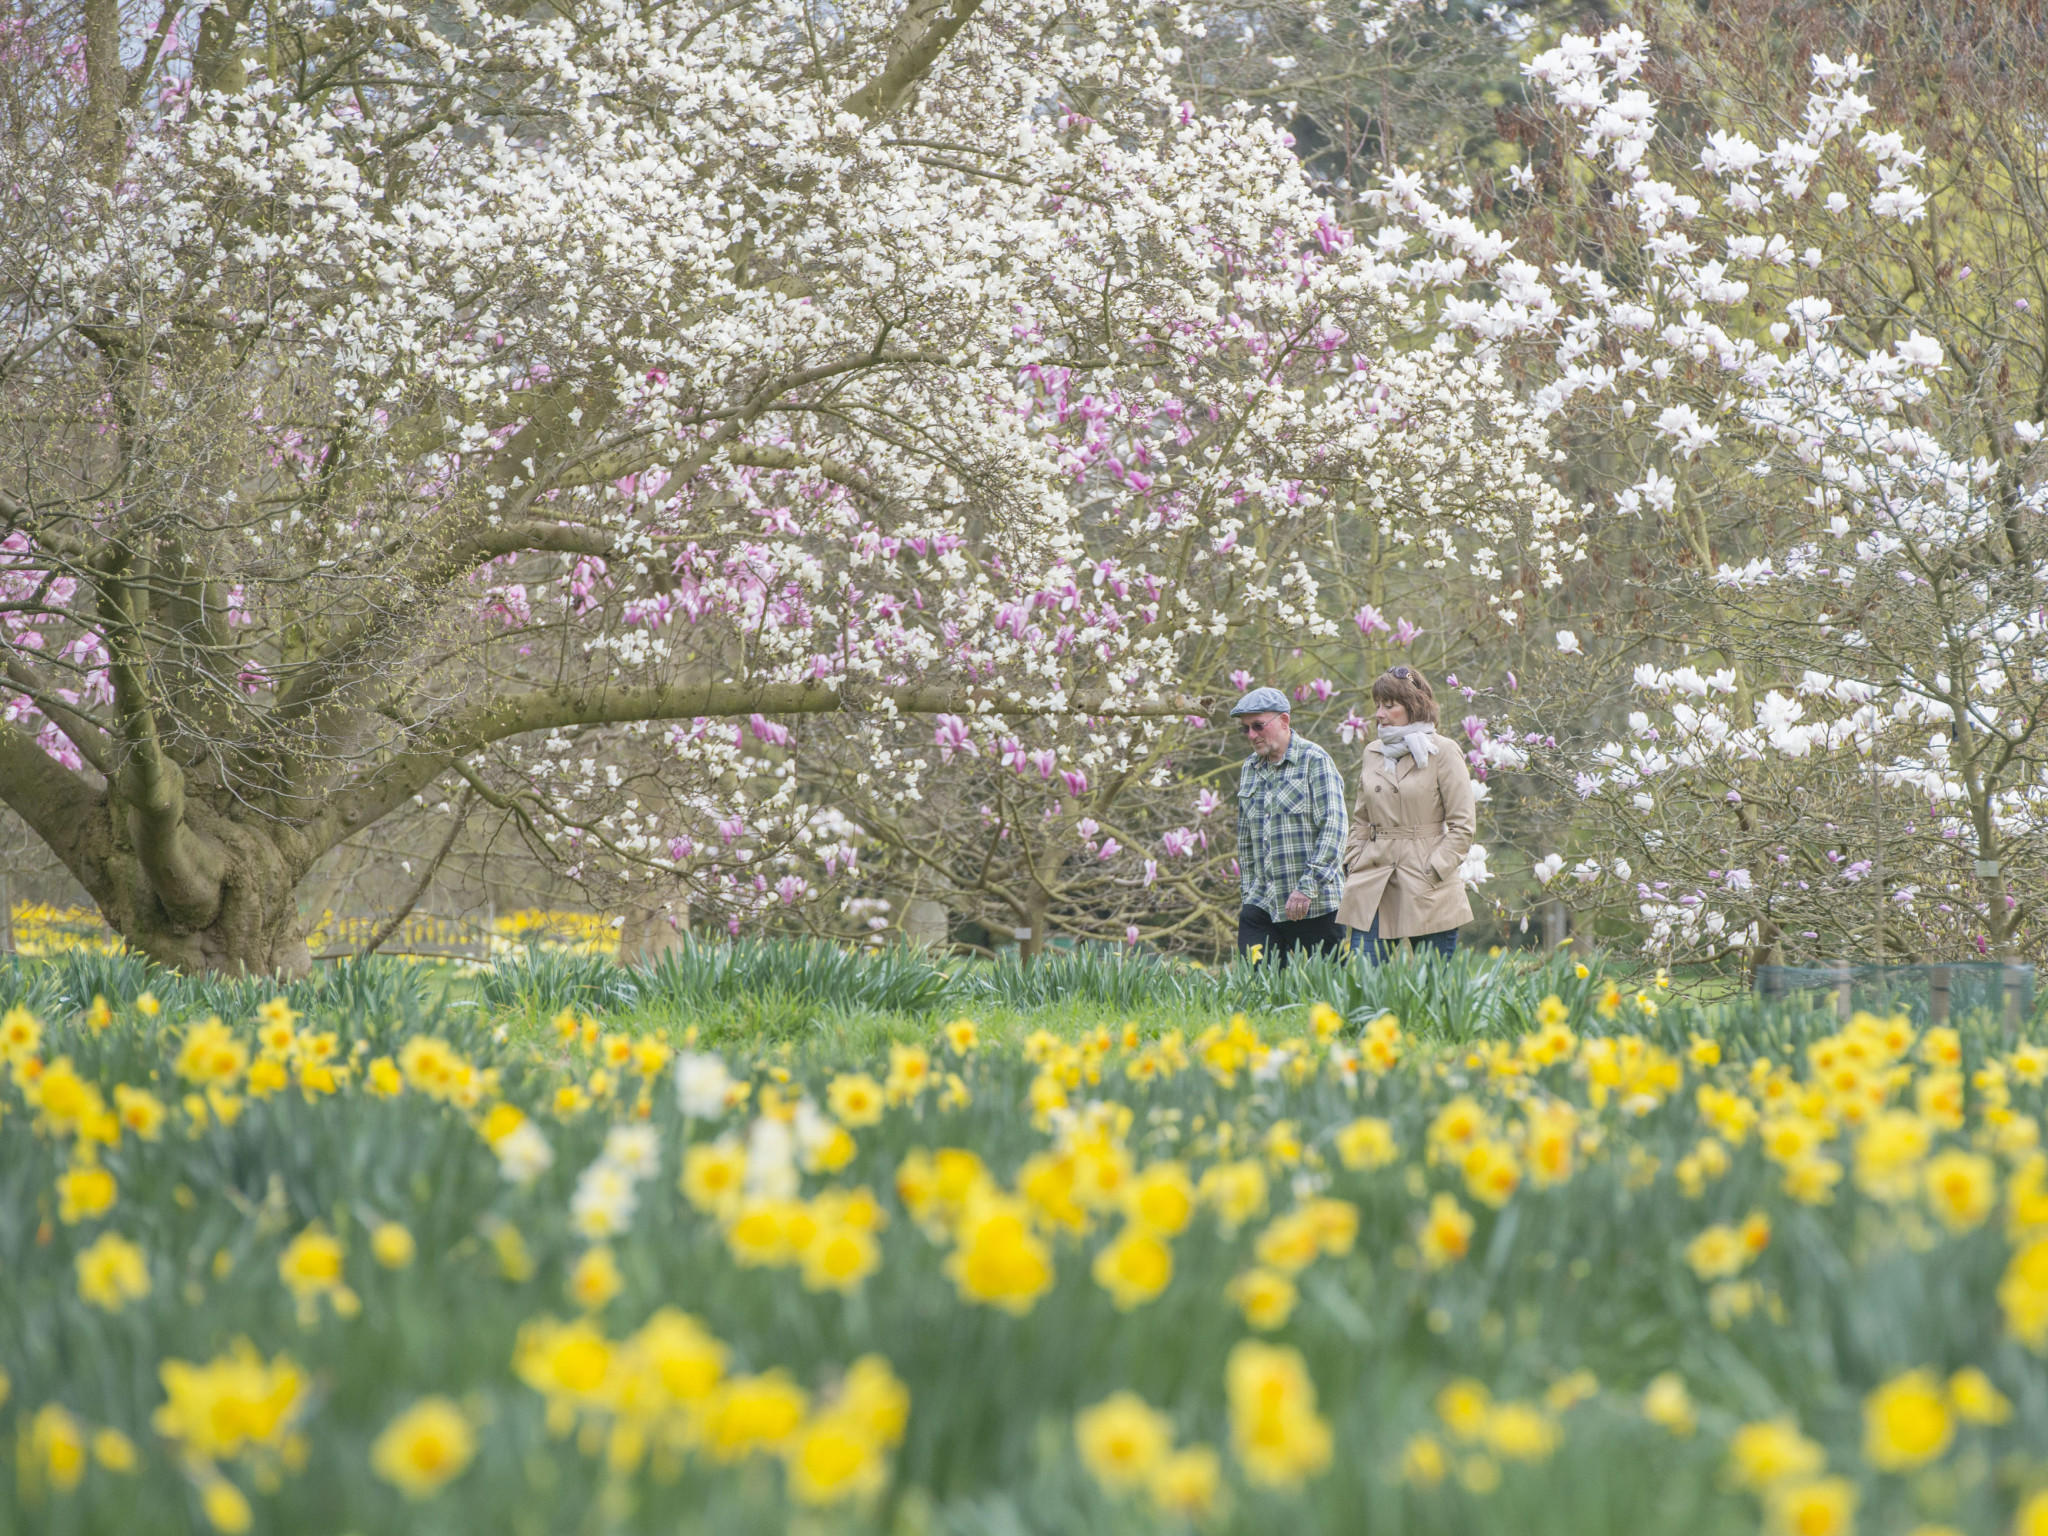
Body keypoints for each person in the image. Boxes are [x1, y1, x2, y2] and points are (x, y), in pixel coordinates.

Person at [1337, 666, 1475, 963]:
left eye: (1389, 706)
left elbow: (1463, 825)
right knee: (1364, 985)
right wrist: (1353, 861)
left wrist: (1434, 868)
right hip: (1373, 878)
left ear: (1414, 707)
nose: (1379, 714)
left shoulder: (1444, 752)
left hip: (1427, 883)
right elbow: (1362, 819)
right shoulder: (1373, 752)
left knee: (1433, 987)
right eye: (1377, 705)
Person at [1229, 686, 1348, 963]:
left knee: (1328, 990)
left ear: (1284, 721)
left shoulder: (1315, 761)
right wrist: (1248, 894)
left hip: (1314, 903)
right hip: (1262, 903)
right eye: (1245, 729)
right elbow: (1245, 841)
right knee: (1259, 987)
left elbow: (1335, 828)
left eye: (1258, 726)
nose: (1251, 735)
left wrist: (1307, 887)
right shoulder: (1249, 769)